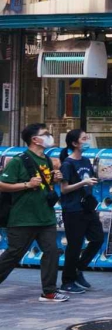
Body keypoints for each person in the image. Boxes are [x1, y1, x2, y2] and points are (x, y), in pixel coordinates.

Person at [0, 124, 65, 302]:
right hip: (23, 218)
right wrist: (26, 185)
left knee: (52, 252)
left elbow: (45, 185)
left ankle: (49, 291)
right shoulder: (19, 160)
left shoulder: (48, 160)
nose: (49, 136)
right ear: (34, 139)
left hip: (45, 217)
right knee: (14, 254)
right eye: (45, 134)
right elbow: (2, 185)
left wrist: (55, 179)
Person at [59, 129, 104, 294]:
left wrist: (89, 183)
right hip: (73, 209)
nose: (87, 141)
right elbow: (64, 189)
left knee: (98, 238)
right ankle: (67, 281)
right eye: (84, 139)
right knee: (75, 245)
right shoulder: (67, 164)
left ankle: (78, 269)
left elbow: (88, 180)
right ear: (74, 143)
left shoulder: (85, 161)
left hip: (87, 208)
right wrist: (83, 182)